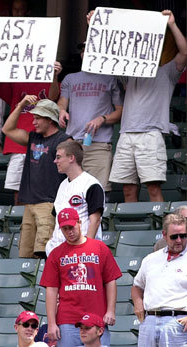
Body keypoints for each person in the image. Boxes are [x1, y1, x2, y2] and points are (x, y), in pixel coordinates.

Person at [109, 10, 187, 202]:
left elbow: (184, 52)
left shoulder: (167, 72)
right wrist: (95, 24)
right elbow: (107, 52)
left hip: (151, 135)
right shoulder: (129, 72)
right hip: (126, 134)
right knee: (128, 189)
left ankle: (162, 231)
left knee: (153, 188)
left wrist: (172, 25)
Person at [40, 208, 122, 347]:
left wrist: (111, 310)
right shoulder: (56, 254)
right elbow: (51, 290)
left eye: (71, 227)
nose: (69, 232)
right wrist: (52, 323)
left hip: (97, 319)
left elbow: (110, 281)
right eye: (65, 229)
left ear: (79, 222)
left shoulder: (99, 248)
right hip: (68, 319)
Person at [2, 95, 70, 258]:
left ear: (49, 119)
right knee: (25, 254)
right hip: (29, 204)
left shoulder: (64, 140)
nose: (33, 122)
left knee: (44, 253)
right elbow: (7, 129)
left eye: (38, 118)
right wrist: (21, 104)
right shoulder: (33, 137)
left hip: (49, 204)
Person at [58, 41, 123, 195]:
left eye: (89, 50)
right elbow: (62, 101)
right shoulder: (70, 78)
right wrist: (61, 110)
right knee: (72, 191)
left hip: (99, 145)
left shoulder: (111, 78)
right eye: (82, 50)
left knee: (99, 192)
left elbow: (121, 112)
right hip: (73, 143)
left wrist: (102, 118)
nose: (84, 53)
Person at [0, 61, 62, 204]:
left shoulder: (48, 73)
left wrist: (54, 76)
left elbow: (53, 97)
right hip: (19, 143)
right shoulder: (16, 76)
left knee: (46, 189)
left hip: (45, 142)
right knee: (18, 192)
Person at [131, 213, 187, 346]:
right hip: (149, 320)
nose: (179, 240)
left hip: (178, 321)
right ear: (164, 235)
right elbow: (137, 286)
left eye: (183, 236)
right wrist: (138, 303)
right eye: (174, 237)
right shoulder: (151, 259)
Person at [46, 140, 104, 256]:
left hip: (81, 252)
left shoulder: (91, 184)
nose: (55, 161)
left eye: (58, 157)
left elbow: (95, 220)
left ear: (71, 158)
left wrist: (87, 248)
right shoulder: (62, 185)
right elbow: (56, 217)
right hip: (58, 251)